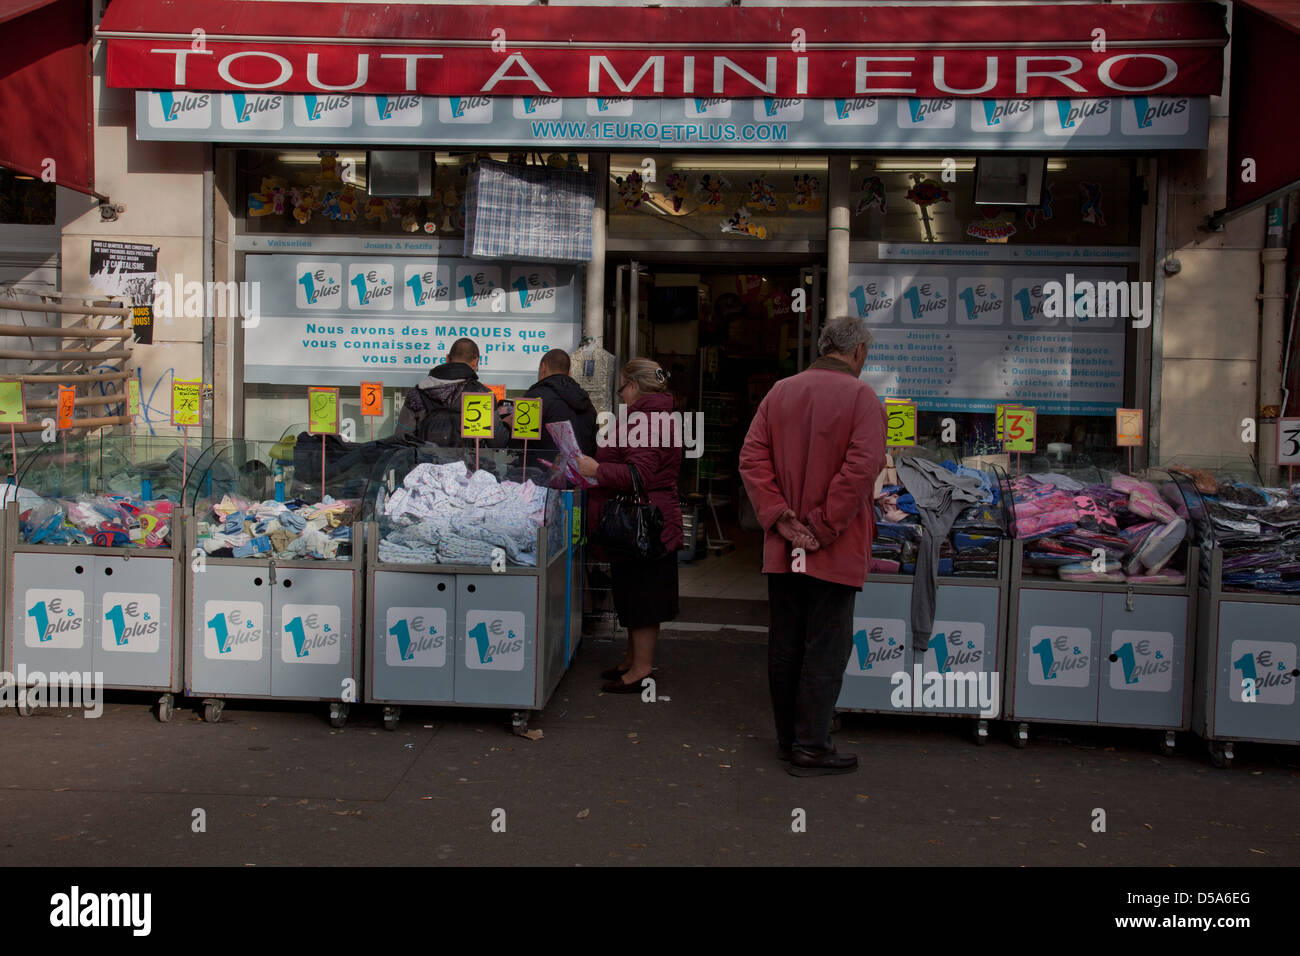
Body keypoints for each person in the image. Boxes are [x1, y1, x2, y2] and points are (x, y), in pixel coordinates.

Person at [738, 316, 887, 776]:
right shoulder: (863, 398)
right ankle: (811, 746)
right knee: (826, 646)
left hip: (785, 548)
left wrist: (781, 518)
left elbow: (752, 457)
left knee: (787, 644)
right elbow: (862, 471)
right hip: (832, 549)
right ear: (858, 352)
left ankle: (791, 741)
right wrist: (821, 528)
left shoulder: (781, 391)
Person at [574, 358, 683, 694]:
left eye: (621, 386)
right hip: (645, 520)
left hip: (644, 524)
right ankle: (632, 659)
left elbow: (639, 476)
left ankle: (641, 669)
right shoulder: (654, 416)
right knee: (634, 592)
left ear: (634, 384)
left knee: (643, 596)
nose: (620, 393)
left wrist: (595, 470)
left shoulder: (646, 420)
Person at [394, 338, 509, 447]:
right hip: (468, 466)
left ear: (447, 358)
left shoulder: (417, 393)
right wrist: (508, 423)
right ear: (475, 361)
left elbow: (401, 437)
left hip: (426, 464)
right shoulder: (480, 394)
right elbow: (498, 442)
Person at [504, 348, 598, 456]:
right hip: (581, 470)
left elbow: (520, 446)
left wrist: (509, 424)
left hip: (543, 470)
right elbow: (594, 444)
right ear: (569, 373)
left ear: (543, 368)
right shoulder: (585, 400)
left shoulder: (534, 398)